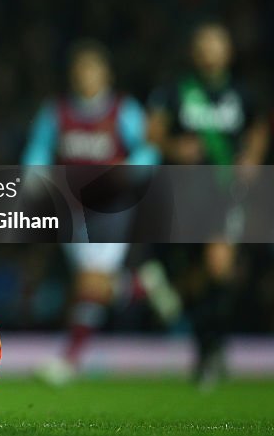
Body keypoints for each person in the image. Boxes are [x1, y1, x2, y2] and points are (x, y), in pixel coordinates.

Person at [21, 39, 180, 386]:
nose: (86, 76)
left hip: (112, 210)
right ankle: (138, 285)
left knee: (89, 283)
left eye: (92, 69)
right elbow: (36, 154)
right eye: (80, 70)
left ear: (106, 74)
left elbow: (148, 154)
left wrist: (119, 177)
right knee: (95, 286)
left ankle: (69, 361)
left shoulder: (124, 111)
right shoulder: (57, 112)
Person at [147, 20, 269, 388]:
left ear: (228, 51)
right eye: (204, 45)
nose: (210, 51)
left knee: (219, 266)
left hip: (224, 193)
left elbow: (259, 126)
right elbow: (152, 131)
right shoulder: (176, 91)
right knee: (192, 279)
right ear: (193, 52)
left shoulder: (242, 94)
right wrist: (173, 148)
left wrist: (251, 158)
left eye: (217, 44)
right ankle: (206, 346)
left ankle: (211, 351)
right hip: (185, 195)